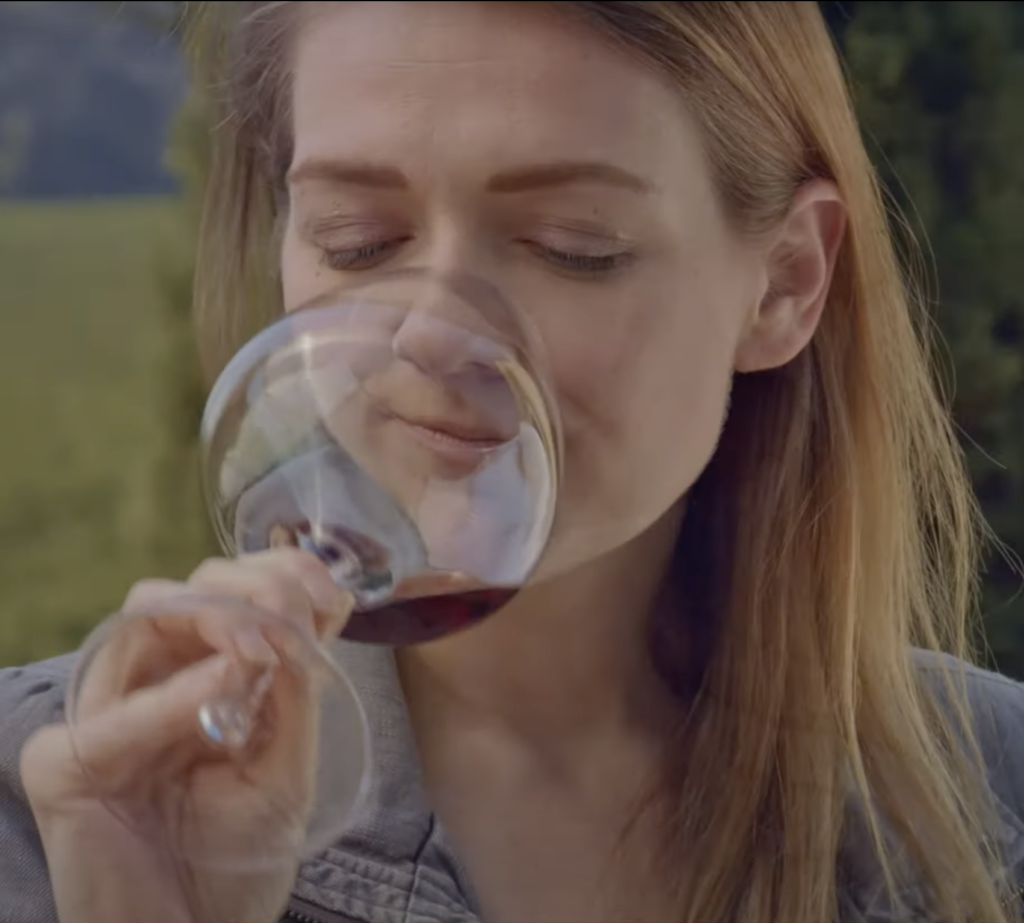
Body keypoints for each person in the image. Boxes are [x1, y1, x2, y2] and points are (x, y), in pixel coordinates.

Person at [1, 2, 1023, 921]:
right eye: (356, 239)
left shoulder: (987, 797)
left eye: (572, 243)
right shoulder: (58, 808)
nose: (430, 334)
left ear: (786, 284)